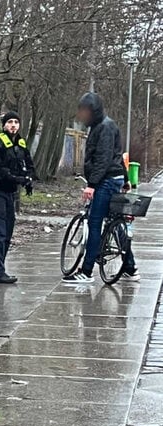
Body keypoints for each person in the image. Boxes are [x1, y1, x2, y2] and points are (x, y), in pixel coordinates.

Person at [64, 92, 138, 283]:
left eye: (85, 111)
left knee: (95, 223)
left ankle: (86, 271)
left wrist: (92, 185)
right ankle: (129, 266)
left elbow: (103, 159)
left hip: (106, 181)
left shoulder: (103, 127)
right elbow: (117, 155)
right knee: (115, 222)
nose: (83, 115)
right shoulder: (105, 125)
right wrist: (126, 178)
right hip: (114, 178)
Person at [0, 110, 35, 284]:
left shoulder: (20, 143)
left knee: (7, 231)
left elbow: (29, 164)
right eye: (10, 122)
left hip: (9, 193)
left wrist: (28, 178)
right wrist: (17, 178)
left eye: (16, 122)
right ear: (4, 125)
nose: (13, 125)